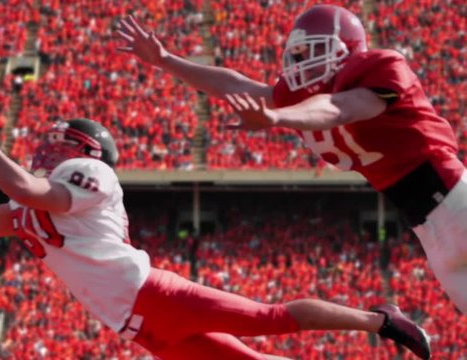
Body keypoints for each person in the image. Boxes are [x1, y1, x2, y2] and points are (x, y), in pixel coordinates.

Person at [0, 115, 431, 359]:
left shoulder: (89, 173)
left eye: (59, 139)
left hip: (153, 294)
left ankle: (380, 320)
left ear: (87, 149)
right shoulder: (25, 204)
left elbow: (26, 187)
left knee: (270, 318)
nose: (47, 145)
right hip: (134, 325)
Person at [117, 4, 467, 315]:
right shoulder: (299, 95)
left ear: (347, 50)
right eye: (296, 54)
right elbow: (235, 86)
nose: (299, 64)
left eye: (310, 52)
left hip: (453, 198)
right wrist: (165, 60)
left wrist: (277, 118)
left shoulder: (378, 68)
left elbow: (340, 108)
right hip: (425, 224)